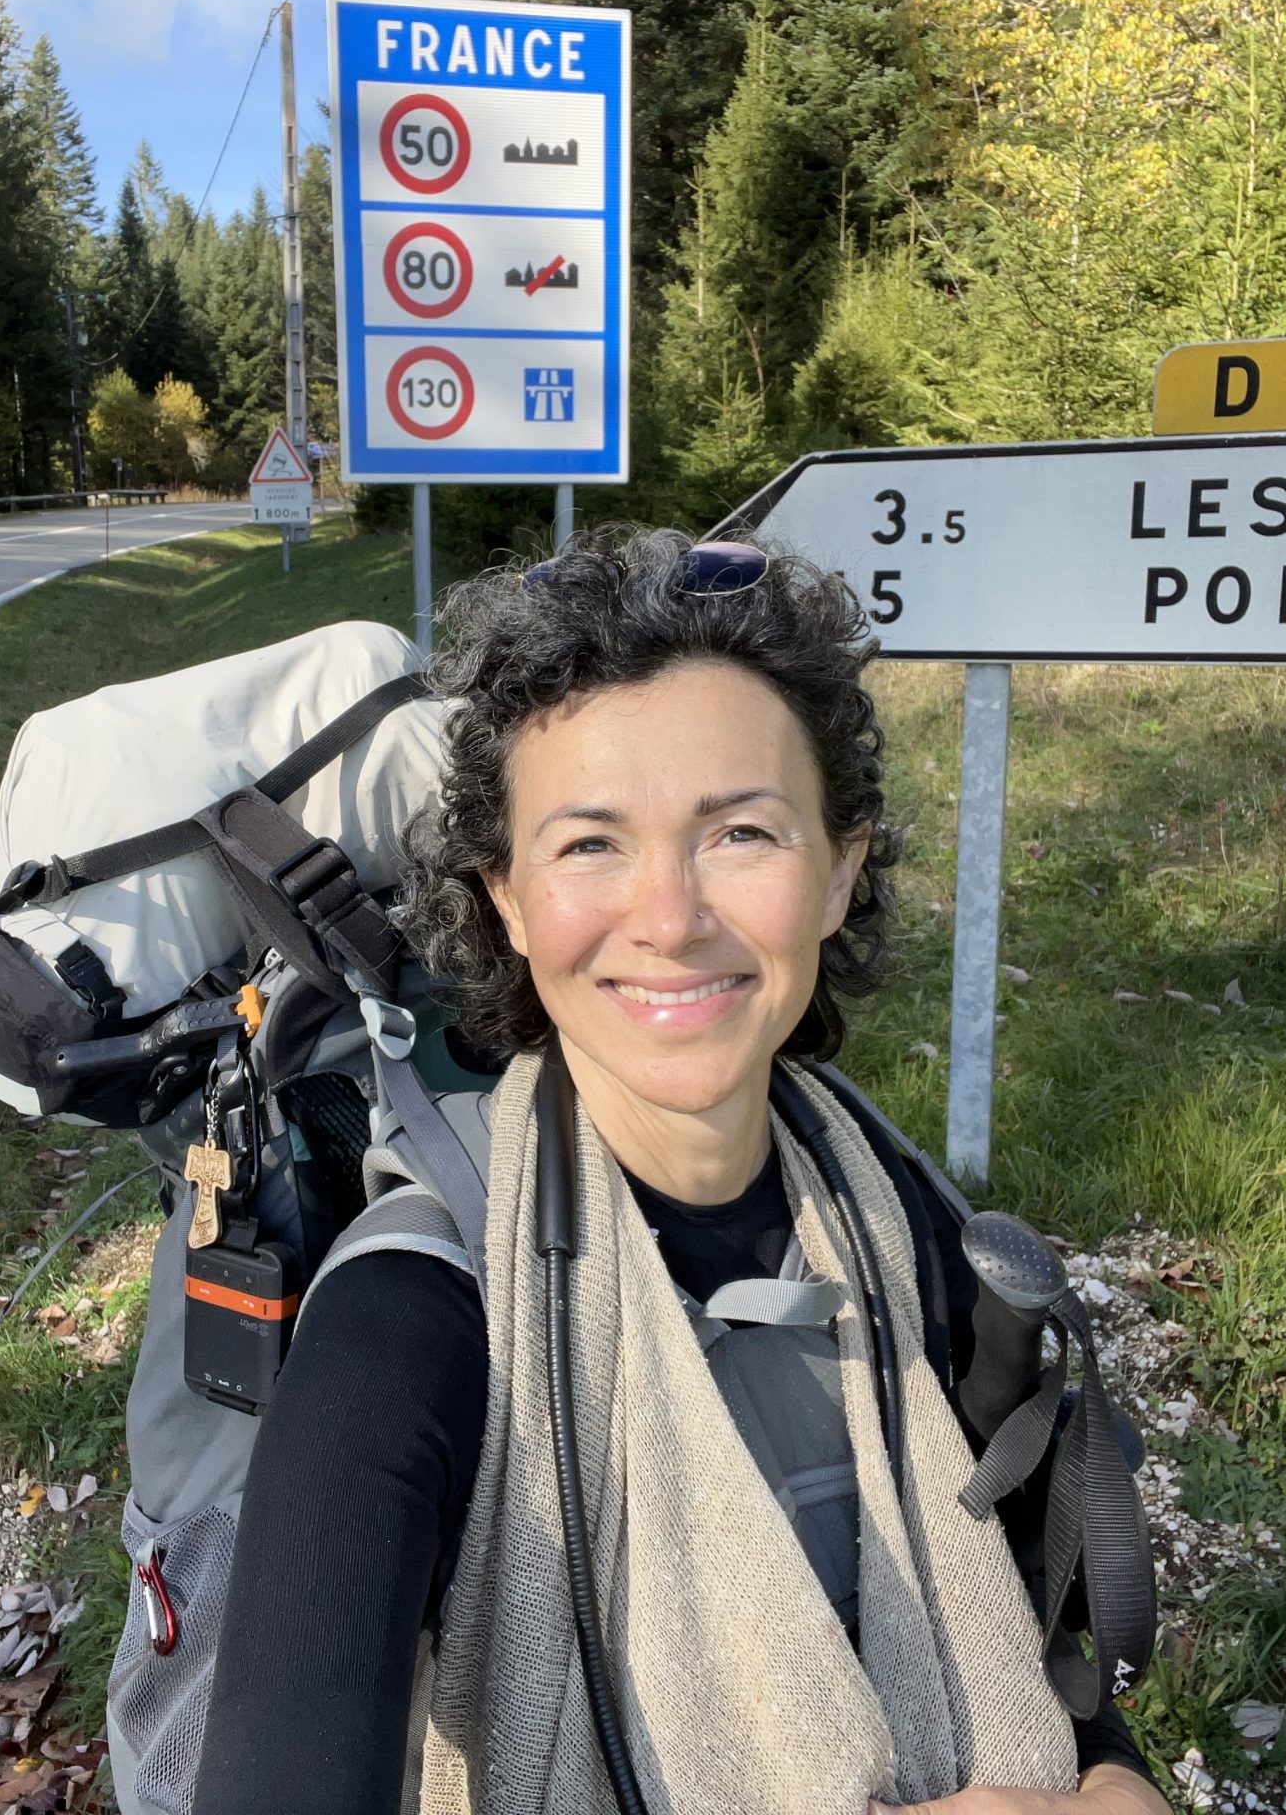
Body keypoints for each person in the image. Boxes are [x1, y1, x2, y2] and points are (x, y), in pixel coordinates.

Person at [192, 531, 1168, 1815]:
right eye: (588, 846)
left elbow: (1037, 1640)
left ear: (840, 871)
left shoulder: (906, 1220)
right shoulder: (410, 1333)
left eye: (742, 833)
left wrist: (1117, 1789)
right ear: (506, 903)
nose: (667, 916)